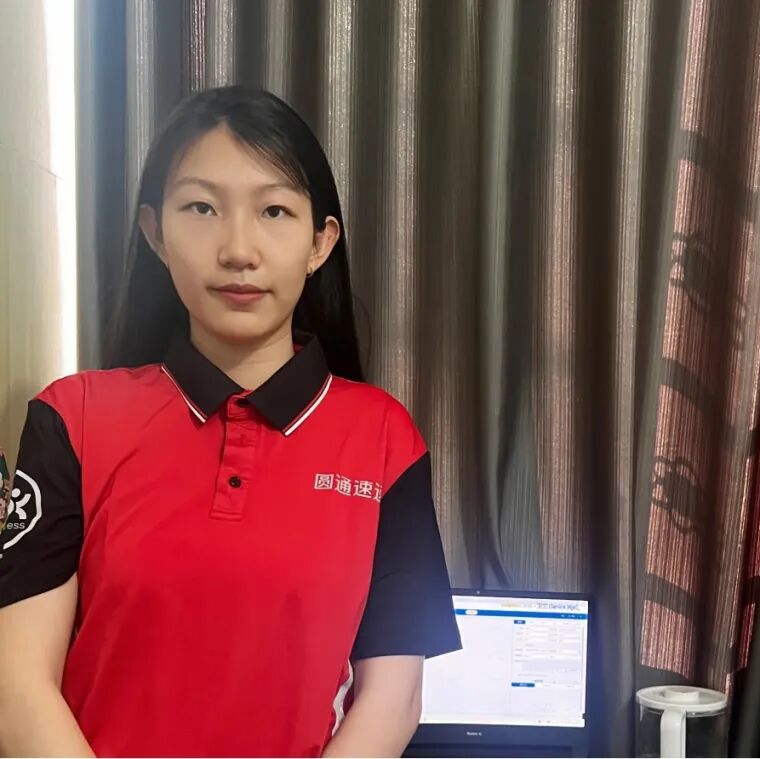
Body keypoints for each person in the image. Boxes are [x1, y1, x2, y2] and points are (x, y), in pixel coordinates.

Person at [0, 86, 461, 758]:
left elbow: (394, 698)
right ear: (155, 233)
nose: (239, 249)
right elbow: (17, 684)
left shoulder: (385, 439)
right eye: (201, 208)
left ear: (320, 242)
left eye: (274, 210)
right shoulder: (72, 419)